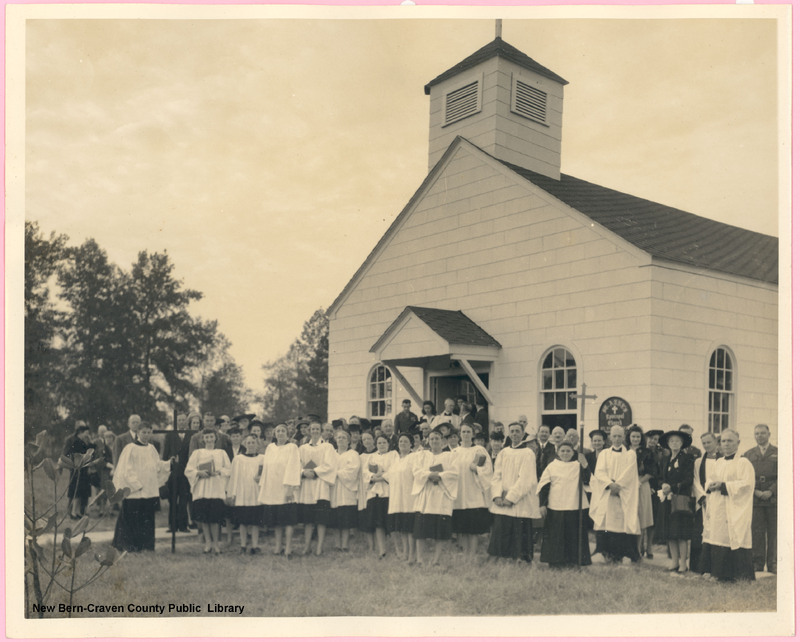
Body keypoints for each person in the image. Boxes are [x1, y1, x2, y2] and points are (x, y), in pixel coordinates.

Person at [704, 429, 756, 582]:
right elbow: (709, 479)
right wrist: (711, 485)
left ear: (738, 443)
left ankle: (737, 575)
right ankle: (718, 573)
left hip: (734, 507)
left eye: (730, 441)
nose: (726, 444)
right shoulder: (718, 462)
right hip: (719, 506)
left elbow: (747, 484)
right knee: (718, 536)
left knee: (734, 536)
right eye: (724, 441)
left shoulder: (743, 463)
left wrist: (724, 485)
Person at [111, 422, 172, 552]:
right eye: (143, 432)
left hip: (149, 491)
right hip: (135, 492)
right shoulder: (130, 448)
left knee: (147, 519)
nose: (146, 435)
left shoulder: (151, 448)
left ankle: (146, 545)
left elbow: (157, 466)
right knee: (132, 519)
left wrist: (168, 464)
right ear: (138, 433)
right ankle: (130, 546)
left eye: (148, 432)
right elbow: (125, 469)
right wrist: (136, 484)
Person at [487, 421, 539, 563]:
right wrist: (497, 496)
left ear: (523, 434)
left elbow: (526, 479)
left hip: (518, 501)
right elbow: (496, 476)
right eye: (512, 431)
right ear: (508, 434)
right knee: (501, 531)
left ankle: (521, 560)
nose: (515, 434)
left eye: (517, 431)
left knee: (519, 532)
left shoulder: (528, 453)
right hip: (502, 501)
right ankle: (501, 560)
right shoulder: (503, 452)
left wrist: (511, 498)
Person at [588, 425, 640, 563]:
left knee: (622, 523)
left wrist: (618, 486)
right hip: (608, 493)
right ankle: (604, 553)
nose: (617, 439)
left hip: (622, 494)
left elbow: (629, 474)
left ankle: (624, 555)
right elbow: (599, 472)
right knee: (605, 523)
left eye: (619, 436)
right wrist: (609, 484)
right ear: (610, 437)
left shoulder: (630, 454)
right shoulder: (604, 454)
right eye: (614, 436)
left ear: (624, 437)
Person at [537, 441, 592, 567]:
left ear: (573, 452)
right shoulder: (552, 466)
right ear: (557, 452)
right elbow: (544, 486)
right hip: (556, 506)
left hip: (574, 506)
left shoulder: (578, 465)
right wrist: (542, 504)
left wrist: (585, 466)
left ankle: (574, 561)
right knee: (556, 535)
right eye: (562, 451)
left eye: (568, 451)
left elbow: (588, 481)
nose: (565, 453)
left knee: (573, 535)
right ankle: (555, 562)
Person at [411, 428, 458, 566]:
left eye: (437, 438)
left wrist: (440, 476)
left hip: (441, 496)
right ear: (428, 441)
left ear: (443, 441)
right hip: (425, 496)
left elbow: (454, 473)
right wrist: (428, 475)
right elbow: (416, 471)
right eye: (431, 439)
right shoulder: (422, 455)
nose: (434, 441)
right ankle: (420, 559)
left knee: (440, 532)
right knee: (421, 531)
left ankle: (435, 560)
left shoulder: (450, 456)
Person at [185, 428, 231, 554]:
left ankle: (216, 544)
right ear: (203, 439)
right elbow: (188, 470)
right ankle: (208, 543)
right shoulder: (197, 453)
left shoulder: (221, 453)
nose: (209, 439)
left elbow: (228, 469)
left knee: (215, 518)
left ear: (215, 438)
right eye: (207, 437)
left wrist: (219, 472)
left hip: (216, 488)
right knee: (204, 518)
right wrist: (198, 472)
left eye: (211, 437)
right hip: (202, 488)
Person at [258, 423, 301, 558]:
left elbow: (293, 467)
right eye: (278, 431)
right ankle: (278, 546)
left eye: (283, 431)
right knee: (276, 520)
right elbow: (266, 468)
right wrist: (264, 486)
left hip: (286, 488)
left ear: (287, 433)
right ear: (275, 434)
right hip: (272, 489)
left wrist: (290, 488)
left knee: (287, 520)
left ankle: (288, 548)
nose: (280, 433)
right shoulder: (270, 448)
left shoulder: (292, 447)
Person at [451, 423, 492, 556]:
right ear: (459, 434)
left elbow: (488, 470)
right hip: (459, 494)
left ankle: (472, 553)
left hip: (473, 493)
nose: (466, 434)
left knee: (473, 527)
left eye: (468, 432)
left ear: (473, 434)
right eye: (463, 432)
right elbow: (444, 468)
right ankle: (464, 552)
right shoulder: (454, 452)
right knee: (462, 527)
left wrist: (477, 469)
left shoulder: (479, 450)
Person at [658, 429, 695, 575]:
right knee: (670, 532)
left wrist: (672, 487)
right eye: (672, 441)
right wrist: (663, 485)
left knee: (681, 533)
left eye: (678, 441)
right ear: (668, 443)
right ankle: (674, 561)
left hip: (680, 500)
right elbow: (660, 477)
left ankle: (683, 563)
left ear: (682, 443)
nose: (675, 443)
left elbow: (688, 479)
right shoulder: (665, 459)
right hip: (667, 499)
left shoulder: (687, 458)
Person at [298, 422, 336, 556]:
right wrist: (303, 472)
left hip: (321, 486)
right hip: (307, 487)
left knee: (321, 519)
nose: (315, 431)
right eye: (312, 429)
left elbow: (330, 465)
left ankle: (319, 547)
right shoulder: (302, 448)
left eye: (317, 429)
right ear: (309, 431)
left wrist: (314, 471)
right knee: (308, 520)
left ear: (321, 431)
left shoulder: (327, 446)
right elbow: (297, 464)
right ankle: (307, 546)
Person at [743, 424, 777, 574]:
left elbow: (786, 474)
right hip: (755, 497)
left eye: (763, 433)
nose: (760, 436)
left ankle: (773, 563)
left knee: (773, 532)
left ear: (769, 434)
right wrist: (755, 491)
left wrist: (771, 490)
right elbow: (745, 477)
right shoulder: (749, 454)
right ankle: (757, 562)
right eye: (757, 433)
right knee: (757, 531)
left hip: (773, 498)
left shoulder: (779, 453)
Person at [226, 433, 264, 554]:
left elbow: (266, 475)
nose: (251, 445)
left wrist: (261, 479)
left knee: (255, 522)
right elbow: (234, 477)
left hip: (256, 493)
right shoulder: (238, 459)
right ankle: (243, 545)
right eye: (248, 443)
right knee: (243, 521)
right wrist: (232, 493)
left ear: (257, 444)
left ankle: (255, 545)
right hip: (242, 493)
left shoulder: (262, 458)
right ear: (244, 444)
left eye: (253, 443)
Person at [363, 434, 398, 558]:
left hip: (389, 492)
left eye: (384, 442)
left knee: (391, 522)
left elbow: (395, 470)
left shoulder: (394, 455)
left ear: (388, 444)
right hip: (375, 492)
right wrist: (373, 477)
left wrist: (383, 477)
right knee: (378, 523)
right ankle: (382, 550)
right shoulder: (372, 457)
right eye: (379, 443)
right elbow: (365, 471)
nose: (381, 445)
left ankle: (398, 550)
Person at [386, 433, 418, 562]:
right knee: (402, 529)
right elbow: (388, 476)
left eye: (406, 441)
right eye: (400, 442)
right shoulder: (396, 460)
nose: (403, 444)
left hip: (409, 498)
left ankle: (412, 554)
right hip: (397, 498)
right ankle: (405, 551)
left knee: (409, 528)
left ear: (411, 444)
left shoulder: (414, 457)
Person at [692, 431, 720, 574]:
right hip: (703, 502)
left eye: (709, 442)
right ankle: (699, 567)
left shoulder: (722, 460)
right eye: (704, 443)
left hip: (719, 500)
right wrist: (702, 498)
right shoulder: (698, 462)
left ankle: (715, 566)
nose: (707, 445)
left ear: (715, 442)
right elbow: (696, 481)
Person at [627, 425, 655, 558]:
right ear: (629, 437)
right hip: (627, 485)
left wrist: (639, 481)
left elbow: (651, 472)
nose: (635, 439)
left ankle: (639, 550)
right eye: (633, 436)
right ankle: (630, 550)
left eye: (638, 436)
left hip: (641, 484)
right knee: (629, 516)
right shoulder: (625, 450)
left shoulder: (647, 452)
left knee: (641, 517)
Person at [330, 429, 360, 552]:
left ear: (348, 441)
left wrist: (336, 473)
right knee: (335, 518)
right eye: (339, 438)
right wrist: (333, 474)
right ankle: (337, 544)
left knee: (346, 518)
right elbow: (327, 467)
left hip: (347, 489)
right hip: (334, 488)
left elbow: (353, 470)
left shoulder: (353, 454)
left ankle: (345, 545)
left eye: (344, 438)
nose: (341, 440)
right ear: (335, 440)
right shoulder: (331, 454)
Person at [62, 421, 94, 519]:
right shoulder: (75, 442)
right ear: (81, 432)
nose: (87, 435)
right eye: (86, 433)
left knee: (81, 493)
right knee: (76, 492)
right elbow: (69, 454)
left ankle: (77, 512)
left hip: (83, 470)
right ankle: (73, 512)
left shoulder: (83, 441)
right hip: (77, 469)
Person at [357, 430, 377, 550]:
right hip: (364, 489)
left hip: (375, 488)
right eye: (364, 440)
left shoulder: (378, 454)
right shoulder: (360, 456)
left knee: (374, 516)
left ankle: (378, 543)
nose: (366, 441)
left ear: (373, 439)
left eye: (369, 438)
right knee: (366, 517)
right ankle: (370, 545)